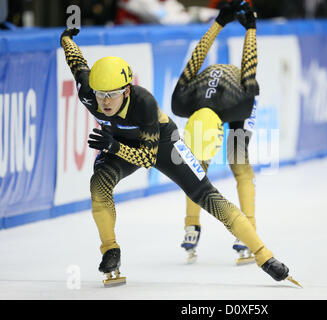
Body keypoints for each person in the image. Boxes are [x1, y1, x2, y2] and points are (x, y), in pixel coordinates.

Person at [59, 0, 300, 287]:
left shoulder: (144, 102)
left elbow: (147, 159)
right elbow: (75, 60)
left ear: (127, 90)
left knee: (215, 187)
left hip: (162, 142)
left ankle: (264, 254)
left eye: (112, 94)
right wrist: (67, 36)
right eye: (100, 95)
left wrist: (113, 147)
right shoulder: (90, 90)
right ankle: (111, 250)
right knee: (98, 184)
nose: (105, 101)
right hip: (120, 142)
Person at [172, 0, 259, 265]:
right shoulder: (183, 101)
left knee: (239, 165)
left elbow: (249, 67)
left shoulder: (242, 101)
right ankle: (192, 225)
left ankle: (248, 227)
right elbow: (197, 58)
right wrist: (221, 23)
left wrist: (250, 30)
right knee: (196, 165)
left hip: (237, 96)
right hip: (209, 96)